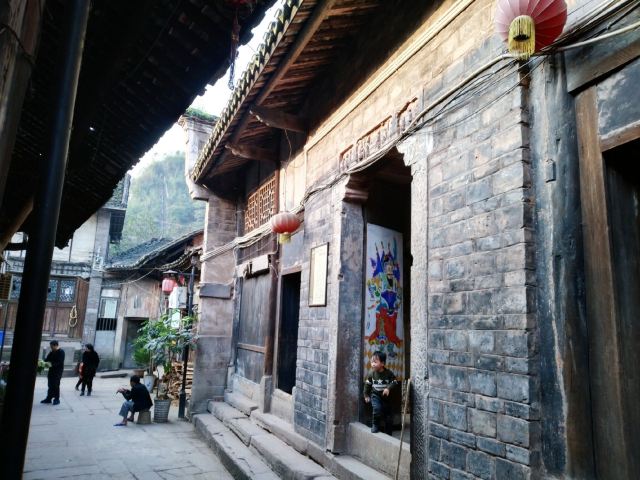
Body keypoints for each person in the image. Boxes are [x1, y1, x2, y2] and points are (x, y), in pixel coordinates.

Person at [364, 350, 398, 434]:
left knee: (388, 415)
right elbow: (367, 384)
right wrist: (366, 395)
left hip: (386, 398)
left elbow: (394, 382)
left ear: (382, 363)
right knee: (377, 409)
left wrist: (388, 388)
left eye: (375, 362)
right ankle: (375, 425)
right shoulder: (371, 373)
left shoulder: (388, 373)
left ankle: (388, 431)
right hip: (375, 395)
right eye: (372, 362)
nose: (373, 364)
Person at [41, 340, 65, 405]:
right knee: (50, 385)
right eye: (50, 346)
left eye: (52, 346)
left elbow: (60, 362)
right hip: (51, 371)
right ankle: (49, 398)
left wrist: (51, 365)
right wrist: (42, 362)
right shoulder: (52, 352)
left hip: (58, 371)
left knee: (55, 385)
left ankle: (57, 399)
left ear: (56, 345)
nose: (51, 348)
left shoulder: (61, 352)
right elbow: (47, 359)